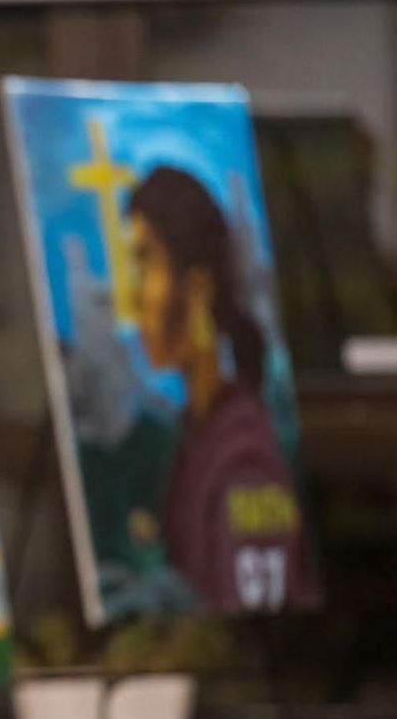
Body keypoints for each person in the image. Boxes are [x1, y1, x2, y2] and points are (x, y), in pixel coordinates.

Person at [127, 166, 315, 613]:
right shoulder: (196, 431)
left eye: (145, 263)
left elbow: (256, 622)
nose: (133, 298)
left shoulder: (243, 457)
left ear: (196, 289)